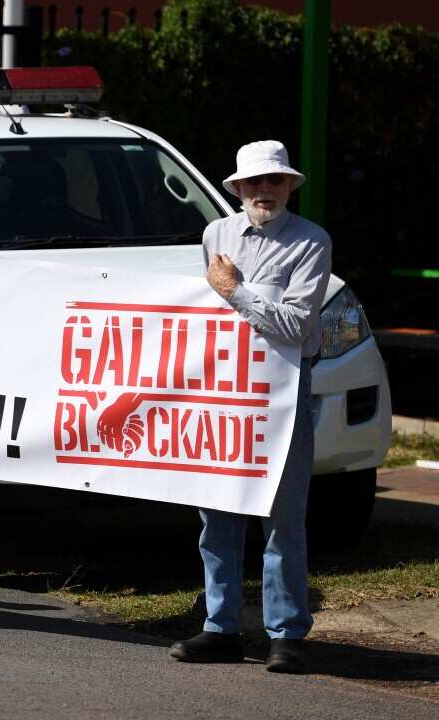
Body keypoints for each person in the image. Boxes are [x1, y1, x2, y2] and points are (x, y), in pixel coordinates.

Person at [169, 140, 331, 674]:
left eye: (275, 181)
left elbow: (295, 325)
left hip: (282, 391)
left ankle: (286, 634)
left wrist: (236, 292)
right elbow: (203, 310)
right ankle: (222, 627)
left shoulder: (311, 242)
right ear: (237, 190)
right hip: (224, 389)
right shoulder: (215, 234)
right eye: (255, 183)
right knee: (217, 511)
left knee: (284, 515)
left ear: (289, 186)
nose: (265, 190)